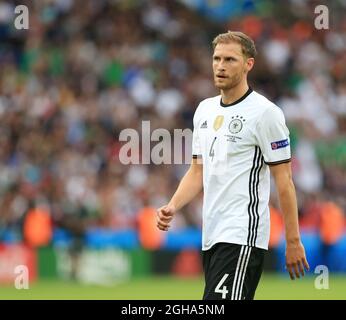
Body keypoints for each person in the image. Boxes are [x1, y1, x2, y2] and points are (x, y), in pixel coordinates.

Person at [156, 31, 309, 300]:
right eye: (216, 59)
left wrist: (293, 240)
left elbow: (284, 180)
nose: (220, 66)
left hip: (243, 234)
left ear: (248, 64)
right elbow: (197, 171)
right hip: (211, 233)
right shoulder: (205, 110)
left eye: (230, 59)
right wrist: (173, 205)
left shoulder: (265, 113)